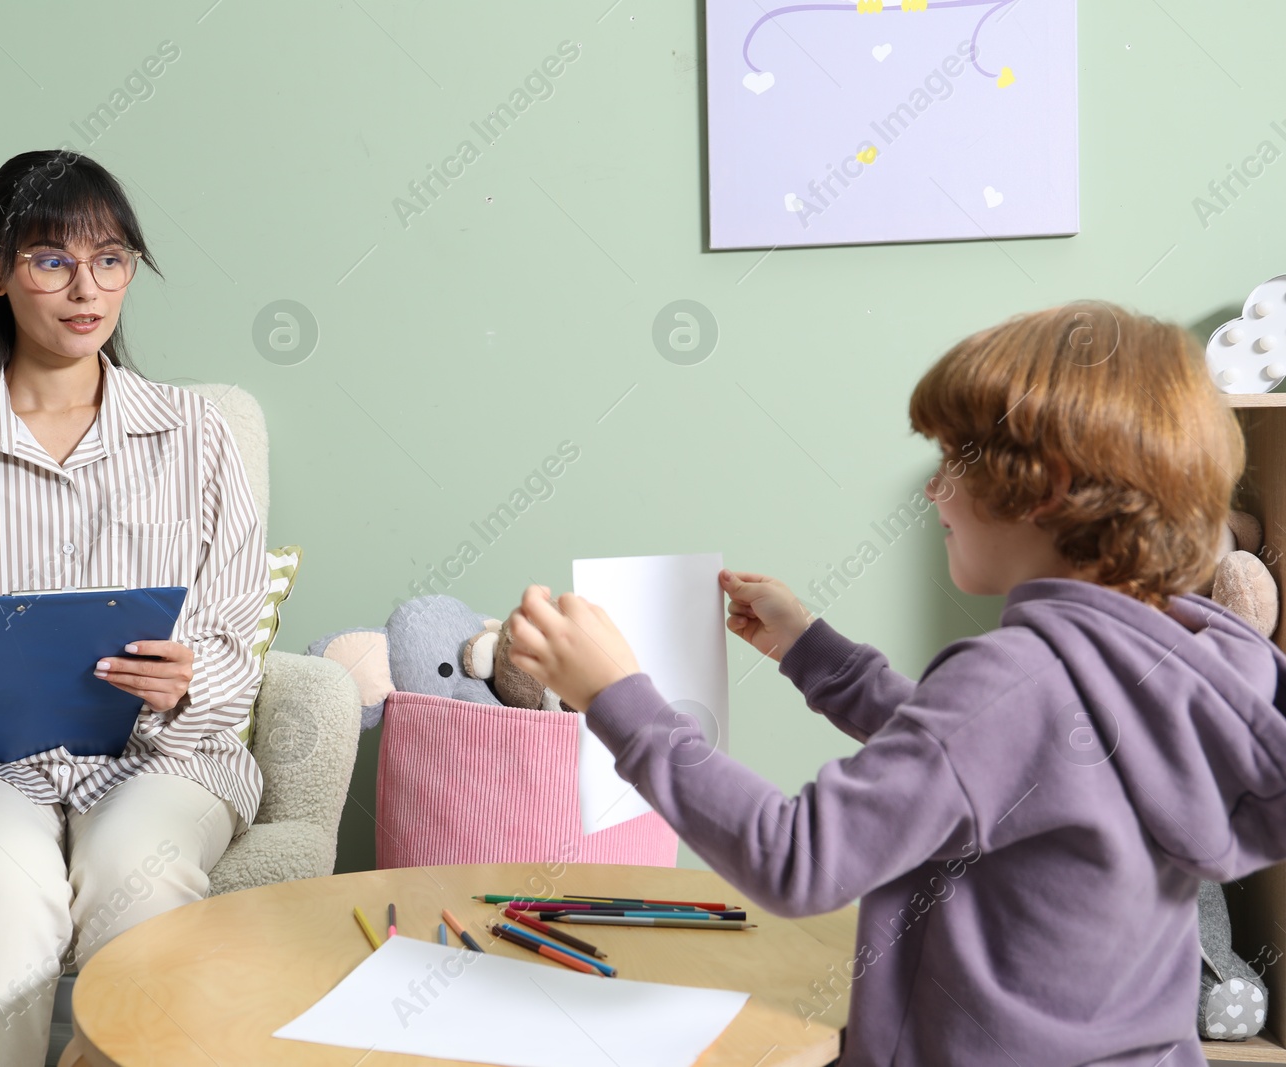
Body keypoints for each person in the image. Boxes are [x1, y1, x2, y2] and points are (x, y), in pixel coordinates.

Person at [505, 302, 1286, 1065]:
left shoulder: (1016, 680)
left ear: (1042, 489)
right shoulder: (1185, 661)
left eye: (952, 462)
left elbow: (797, 856)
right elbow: (993, 760)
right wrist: (816, 653)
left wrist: (618, 698)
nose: (931, 490)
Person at [0, 149, 269, 1067]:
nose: (87, 289)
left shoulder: (199, 435)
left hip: (166, 758)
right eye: (52, 260)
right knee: (2, 881)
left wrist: (190, 680)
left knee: (139, 875)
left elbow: (237, 632)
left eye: (110, 260)